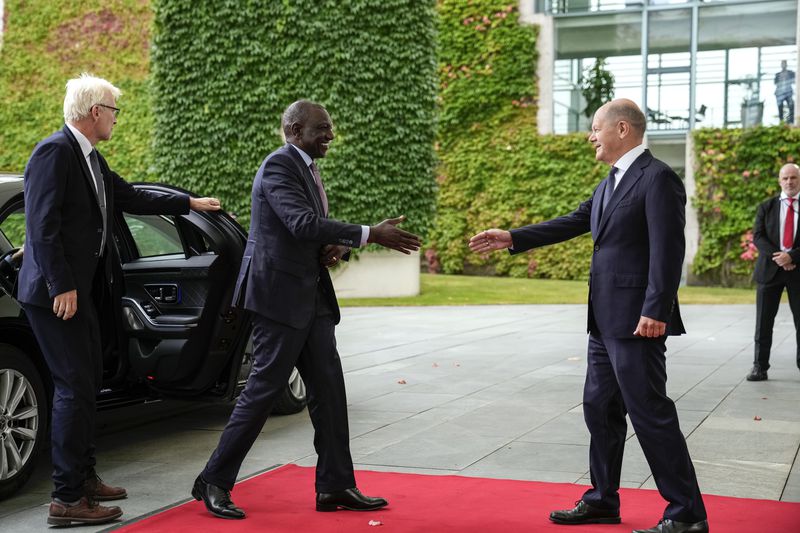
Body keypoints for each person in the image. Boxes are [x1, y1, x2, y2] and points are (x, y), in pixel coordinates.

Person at [469, 99, 708, 533]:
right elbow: (575, 221)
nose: (590, 137)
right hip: (603, 321)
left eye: (595, 128)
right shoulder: (609, 184)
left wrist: (656, 308)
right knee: (599, 409)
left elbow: (669, 250)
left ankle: (686, 514)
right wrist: (512, 237)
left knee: (650, 412)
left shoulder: (657, 179)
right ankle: (602, 500)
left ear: (621, 129)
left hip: (637, 321)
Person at [192, 99, 421, 520]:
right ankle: (213, 480)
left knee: (330, 392)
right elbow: (299, 223)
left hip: (310, 296)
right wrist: (369, 234)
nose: (330, 135)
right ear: (295, 131)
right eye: (322, 129)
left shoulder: (308, 168)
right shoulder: (279, 165)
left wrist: (332, 247)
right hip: (278, 299)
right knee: (262, 392)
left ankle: (335, 485)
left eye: (330, 127)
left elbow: (301, 231)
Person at [18, 73, 221, 527]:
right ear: (95, 112)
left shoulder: (91, 159)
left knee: (86, 384)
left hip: (78, 292)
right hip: (55, 295)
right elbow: (41, 226)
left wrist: (186, 203)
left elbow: (130, 197)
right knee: (72, 387)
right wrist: (61, 286)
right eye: (113, 110)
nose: (116, 118)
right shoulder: (54, 152)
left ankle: (83, 477)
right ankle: (67, 499)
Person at [747, 163, 800, 381]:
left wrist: (792, 256)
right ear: (779, 181)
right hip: (769, 271)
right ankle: (760, 367)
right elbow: (758, 236)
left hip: (798, 270)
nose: (789, 182)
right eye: (785, 178)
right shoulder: (766, 207)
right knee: (763, 323)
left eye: (794, 178)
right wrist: (780, 257)